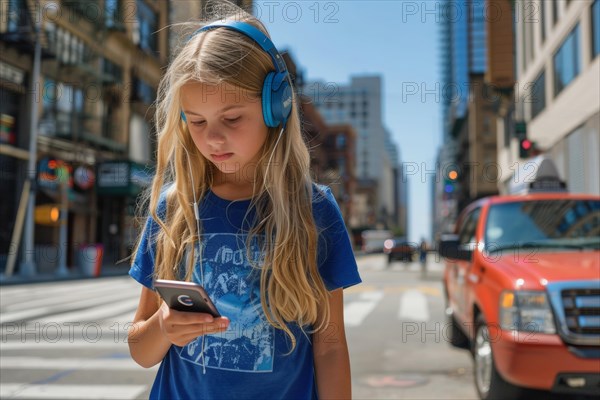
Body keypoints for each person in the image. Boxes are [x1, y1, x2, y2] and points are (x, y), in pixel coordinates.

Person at [127, 11, 362, 400]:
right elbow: (140, 349)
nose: (213, 139)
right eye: (197, 121)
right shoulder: (177, 208)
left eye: (232, 118)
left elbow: (330, 346)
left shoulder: (313, 210)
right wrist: (164, 328)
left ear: (277, 108)